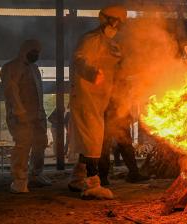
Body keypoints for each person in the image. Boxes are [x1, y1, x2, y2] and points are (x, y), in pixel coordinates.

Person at [67, 5, 127, 200]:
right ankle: (93, 184)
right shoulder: (91, 39)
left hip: (98, 99)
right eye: (113, 20)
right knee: (93, 142)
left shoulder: (111, 44)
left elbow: (117, 67)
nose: (116, 25)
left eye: (119, 22)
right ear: (104, 19)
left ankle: (77, 179)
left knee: (90, 141)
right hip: (86, 96)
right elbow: (78, 60)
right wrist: (93, 73)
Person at [0, 39, 52, 193]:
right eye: (33, 52)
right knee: (23, 146)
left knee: (40, 144)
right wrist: (19, 112)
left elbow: (38, 93)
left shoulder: (34, 69)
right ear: (24, 50)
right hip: (19, 116)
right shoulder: (11, 68)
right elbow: (11, 92)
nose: (35, 55)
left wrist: (41, 113)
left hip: (37, 116)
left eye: (37, 53)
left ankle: (36, 174)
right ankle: (19, 180)